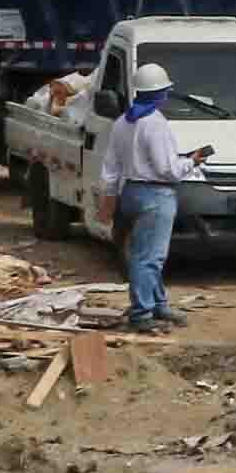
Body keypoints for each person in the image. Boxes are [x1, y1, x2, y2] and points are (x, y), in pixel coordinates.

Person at [97, 63, 210, 331]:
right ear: (162, 93)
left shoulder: (124, 122)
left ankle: (157, 305)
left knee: (143, 253)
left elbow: (111, 167)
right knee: (149, 258)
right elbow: (167, 170)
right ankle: (141, 314)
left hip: (131, 192)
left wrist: (109, 198)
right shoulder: (155, 124)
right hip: (156, 194)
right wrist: (192, 161)